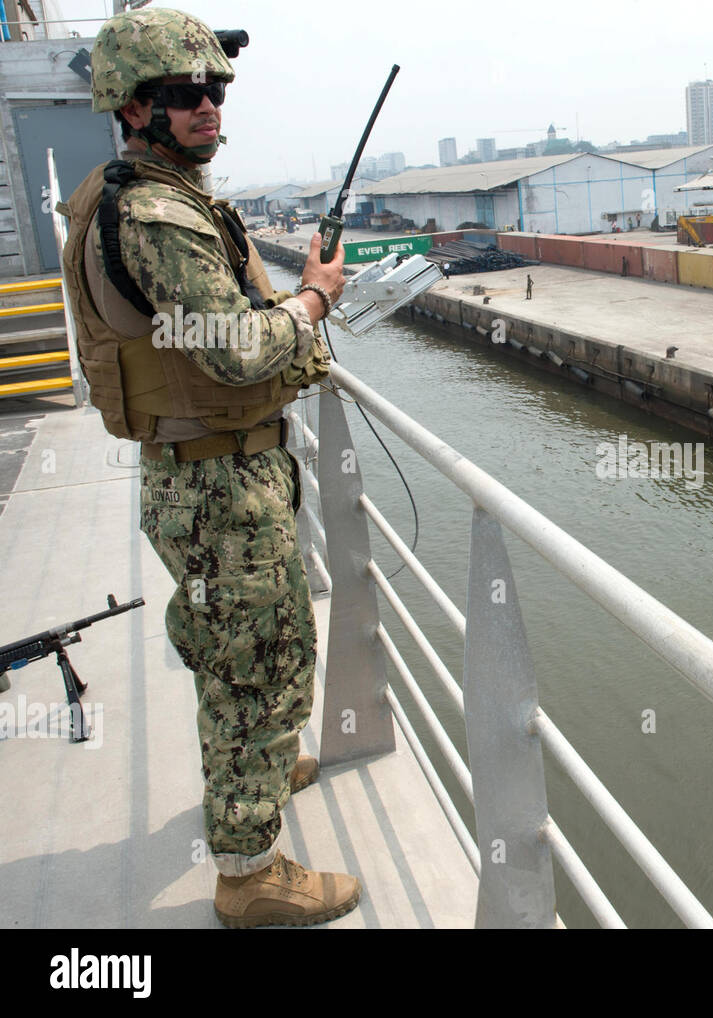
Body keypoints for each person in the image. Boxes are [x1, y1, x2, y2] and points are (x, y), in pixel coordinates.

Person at [60, 7, 359, 929]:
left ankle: (256, 780)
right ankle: (249, 875)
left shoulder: (130, 194)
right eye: (183, 95)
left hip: (210, 474)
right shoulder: (154, 211)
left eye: (215, 92)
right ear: (133, 108)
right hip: (220, 484)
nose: (208, 109)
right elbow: (231, 348)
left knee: (251, 655)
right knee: (252, 670)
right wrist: (314, 296)